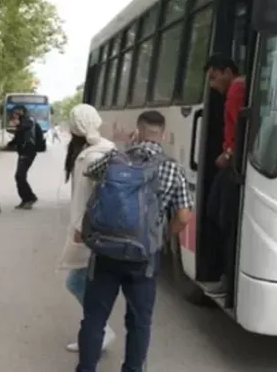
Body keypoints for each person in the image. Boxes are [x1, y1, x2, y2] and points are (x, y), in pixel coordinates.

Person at [75, 110, 193, 372]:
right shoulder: (172, 167)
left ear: (137, 132)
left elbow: (90, 174)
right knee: (139, 322)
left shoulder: (115, 158)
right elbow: (184, 216)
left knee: (94, 318)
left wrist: (123, 148)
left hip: (105, 251)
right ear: (162, 135)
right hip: (144, 256)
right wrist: (162, 236)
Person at [57, 104, 116, 354]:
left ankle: (100, 331)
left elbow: (85, 196)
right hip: (105, 229)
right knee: (90, 282)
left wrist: (80, 227)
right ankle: (94, 332)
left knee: (77, 282)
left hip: (90, 231)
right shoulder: (108, 148)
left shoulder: (89, 156)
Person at [202, 54, 246, 297]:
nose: (212, 85)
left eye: (214, 77)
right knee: (214, 212)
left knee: (223, 218)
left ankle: (227, 280)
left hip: (234, 166)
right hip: (232, 162)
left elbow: (242, 130)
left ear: (228, 71)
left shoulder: (236, 91)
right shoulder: (240, 88)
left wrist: (228, 155)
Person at [11, 105, 40, 209]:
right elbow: (18, 138)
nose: (14, 116)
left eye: (15, 113)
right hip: (23, 152)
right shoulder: (22, 122)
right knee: (19, 176)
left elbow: (24, 128)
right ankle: (25, 199)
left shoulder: (28, 121)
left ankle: (31, 197)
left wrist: (18, 124)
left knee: (20, 176)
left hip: (28, 152)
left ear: (21, 112)